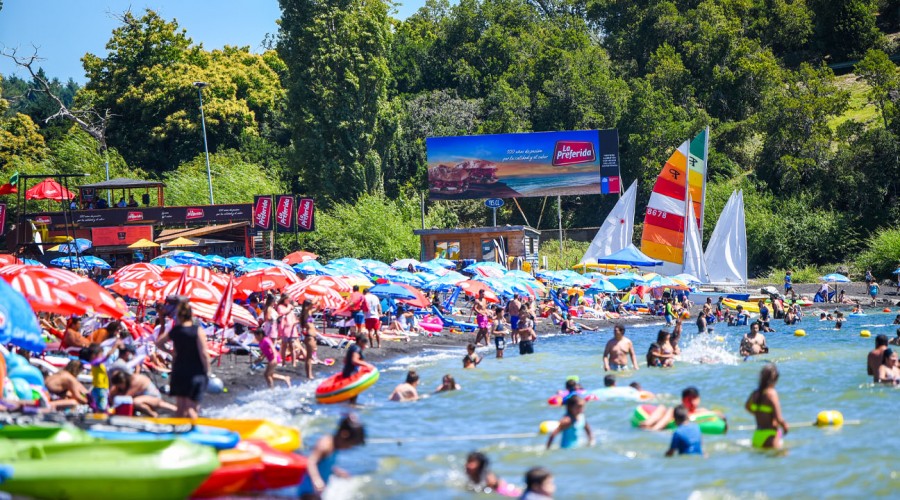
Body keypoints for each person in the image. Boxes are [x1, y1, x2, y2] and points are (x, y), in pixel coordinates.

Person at [155, 296, 210, 418]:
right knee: (192, 408)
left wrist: (170, 352)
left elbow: (158, 342)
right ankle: (192, 433)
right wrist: (207, 371)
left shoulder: (176, 330)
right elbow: (204, 354)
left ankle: (178, 434)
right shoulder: (197, 330)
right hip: (194, 371)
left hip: (178, 370)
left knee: (180, 409)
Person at [297, 415, 366, 500]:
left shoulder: (335, 446)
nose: (350, 448)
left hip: (317, 491)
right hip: (309, 489)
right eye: (350, 445)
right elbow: (311, 461)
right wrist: (316, 480)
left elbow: (323, 464)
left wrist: (336, 471)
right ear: (344, 434)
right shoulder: (325, 444)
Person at [745, 364, 788, 449]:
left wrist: (759, 413)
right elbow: (779, 419)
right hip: (770, 436)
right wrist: (785, 426)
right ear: (775, 379)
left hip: (757, 436)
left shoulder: (755, 393)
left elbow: (747, 407)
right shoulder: (772, 393)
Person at [640, 387, 713, 431]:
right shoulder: (677, 410)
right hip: (664, 422)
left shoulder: (702, 411)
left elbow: (713, 415)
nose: (692, 402)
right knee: (663, 408)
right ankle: (649, 425)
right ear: (683, 400)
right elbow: (667, 417)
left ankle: (652, 427)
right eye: (689, 400)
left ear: (699, 399)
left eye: (694, 399)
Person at [109, 370, 176, 417]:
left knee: (135, 402)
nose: (119, 387)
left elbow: (126, 397)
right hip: (145, 397)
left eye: (119, 385)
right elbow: (112, 392)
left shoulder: (135, 381)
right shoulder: (128, 381)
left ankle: (153, 414)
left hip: (154, 398)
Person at [342, 334, 375, 405]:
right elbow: (354, 361)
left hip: (347, 372)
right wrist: (367, 365)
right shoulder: (357, 349)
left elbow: (344, 360)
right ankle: (351, 409)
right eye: (364, 343)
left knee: (349, 396)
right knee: (353, 396)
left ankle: (348, 409)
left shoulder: (352, 347)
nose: (365, 346)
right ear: (360, 342)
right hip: (351, 374)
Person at [85, 343, 113, 412]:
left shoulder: (98, 363)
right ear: (95, 355)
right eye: (101, 354)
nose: (102, 355)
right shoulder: (95, 362)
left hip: (102, 387)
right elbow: (106, 357)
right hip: (100, 387)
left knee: (101, 405)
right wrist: (115, 346)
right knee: (102, 406)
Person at [277, 294, 299, 368]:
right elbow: (282, 312)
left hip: (292, 329)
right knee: (284, 346)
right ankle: (283, 362)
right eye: (288, 299)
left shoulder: (290, 308)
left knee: (292, 346)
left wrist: (296, 322)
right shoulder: (281, 307)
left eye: (289, 299)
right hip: (285, 329)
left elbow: (293, 317)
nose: (289, 301)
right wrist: (289, 307)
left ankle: (294, 363)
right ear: (284, 299)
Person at [300, 299, 318, 380]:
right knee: (309, 357)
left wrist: (320, 300)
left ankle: (310, 374)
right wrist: (317, 297)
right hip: (309, 336)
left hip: (312, 336)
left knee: (311, 355)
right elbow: (312, 305)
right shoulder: (305, 313)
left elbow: (318, 308)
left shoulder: (309, 312)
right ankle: (309, 374)